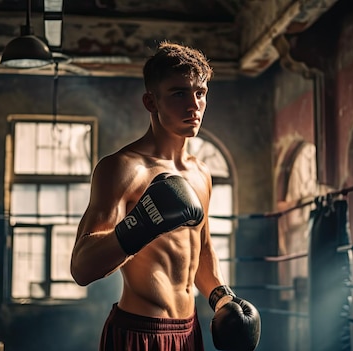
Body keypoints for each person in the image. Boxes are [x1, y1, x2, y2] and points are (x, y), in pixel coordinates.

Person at [70, 41, 261, 351]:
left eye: (200, 93)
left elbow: (204, 250)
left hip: (188, 333)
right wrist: (141, 224)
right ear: (150, 101)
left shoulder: (201, 173)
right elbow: (82, 267)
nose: (193, 105)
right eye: (178, 93)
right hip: (139, 332)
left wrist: (223, 298)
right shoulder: (122, 169)